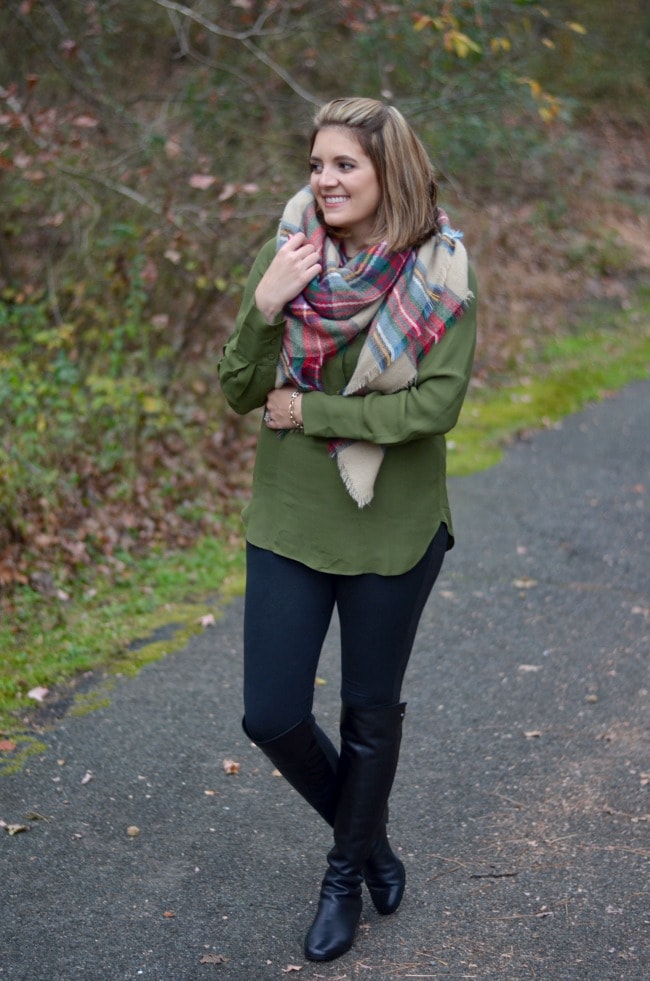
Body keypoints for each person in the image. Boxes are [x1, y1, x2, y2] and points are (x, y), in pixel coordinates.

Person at [217, 96, 477, 962]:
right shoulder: (289, 254)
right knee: (272, 713)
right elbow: (240, 388)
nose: (323, 179)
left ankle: (340, 878)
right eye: (317, 162)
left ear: (387, 173)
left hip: (393, 525)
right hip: (290, 517)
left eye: (344, 165)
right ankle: (370, 840)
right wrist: (264, 304)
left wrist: (315, 409)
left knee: (369, 712)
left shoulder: (441, 272)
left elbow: (435, 403)